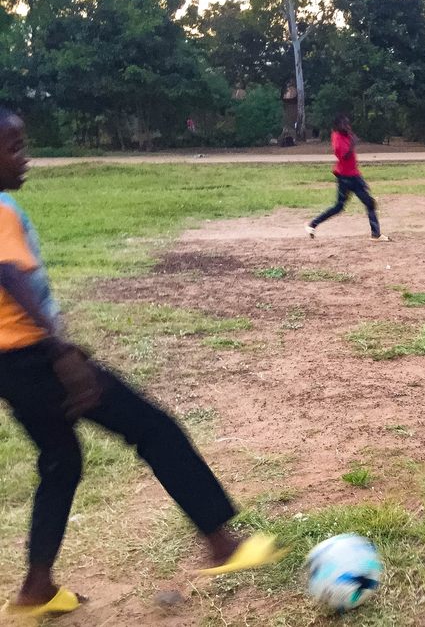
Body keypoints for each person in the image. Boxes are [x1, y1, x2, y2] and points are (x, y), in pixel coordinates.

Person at [0, 108, 284, 618]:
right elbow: (11, 276)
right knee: (153, 428)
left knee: (61, 459)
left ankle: (37, 588)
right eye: (14, 147)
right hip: (34, 357)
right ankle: (223, 543)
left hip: (9, 369)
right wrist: (61, 351)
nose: (26, 158)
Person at [306, 114, 390, 242]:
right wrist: (352, 144)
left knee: (369, 203)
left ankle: (376, 234)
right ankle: (312, 224)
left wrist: (361, 180)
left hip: (353, 176)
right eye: (344, 124)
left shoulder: (345, 134)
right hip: (345, 178)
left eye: (348, 123)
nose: (347, 126)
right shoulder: (337, 138)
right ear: (338, 126)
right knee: (339, 207)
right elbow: (344, 156)